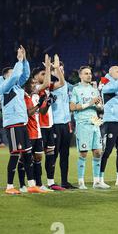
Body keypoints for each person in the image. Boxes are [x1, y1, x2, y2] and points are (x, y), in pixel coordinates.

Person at [0, 46, 43, 194]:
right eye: (12, 74)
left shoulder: (16, 87)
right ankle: (9, 186)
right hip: (13, 124)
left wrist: (25, 60)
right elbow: (16, 76)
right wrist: (19, 61)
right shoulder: (4, 87)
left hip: (22, 123)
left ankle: (31, 185)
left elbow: (24, 75)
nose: (16, 75)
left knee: (28, 154)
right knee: (15, 154)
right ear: (6, 76)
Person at [31, 54, 66, 190]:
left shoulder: (47, 89)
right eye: (43, 73)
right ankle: (38, 183)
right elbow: (41, 110)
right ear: (35, 77)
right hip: (38, 127)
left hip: (49, 125)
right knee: (37, 157)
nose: (46, 75)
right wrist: (48, 65)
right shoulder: (34, 89)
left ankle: (51, 182)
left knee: (50, 155)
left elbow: (62, 83)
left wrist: (57, 69)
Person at [69, 66, 104, 189]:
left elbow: (99, 107)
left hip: (95, 123)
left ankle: (97, 182)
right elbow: (72, 107)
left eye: (90, 73)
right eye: (86, 73)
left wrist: (99, 106)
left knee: (98, 152)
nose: (89, 75)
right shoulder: (76, 90)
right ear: (80, 75)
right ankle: (81, 182)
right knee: (83, 153)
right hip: (82, 123)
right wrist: (90, 103)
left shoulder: (94, 90)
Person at [22, 76, 51, 192]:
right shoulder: (23, 97)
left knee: (38, 158)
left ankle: (39, 184)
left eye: (35, 83)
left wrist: (48, 103)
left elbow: (42, 112)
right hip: (27, 133)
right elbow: (28, 113)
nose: (35, 85)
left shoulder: (35, 96)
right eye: (32, 83)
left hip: (38, 132)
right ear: (26, 85)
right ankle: (23, 185)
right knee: (24, 159)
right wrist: (39, 105)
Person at [51, 58, 76, 189]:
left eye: (62, 69)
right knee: (53, 154)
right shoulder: (50, 85)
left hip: (66, 124)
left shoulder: (68, 85)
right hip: (54, 123)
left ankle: (64, 181)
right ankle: (51, 181)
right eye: (57, 69)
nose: (61, 71)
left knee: (65, 154)